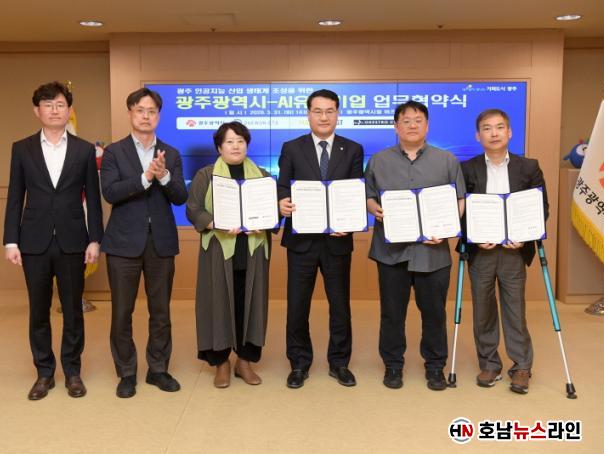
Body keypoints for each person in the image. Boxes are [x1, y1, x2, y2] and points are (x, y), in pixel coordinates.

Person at [3, 81, 103, 400]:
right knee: (38, 311)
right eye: (48, 105)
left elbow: (94, 199)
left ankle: (72, 371)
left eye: (60, 104)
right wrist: (10, 241)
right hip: (33, 241)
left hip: (74, 241)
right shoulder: (22, 148)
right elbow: (15, 197)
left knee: (73, 311)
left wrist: (95, 239)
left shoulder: (84, 150)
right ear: (37, 111)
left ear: (69, 110)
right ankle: (44, 373)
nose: (54, 110)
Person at [365, 100, 465, 391]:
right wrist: (374, 209)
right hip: (391, 252)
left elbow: (460, 199)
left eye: (418, 120)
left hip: (432, 253)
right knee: (392, 313)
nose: (412, 125)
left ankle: (435, 367)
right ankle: (393, 365)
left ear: (427, 125)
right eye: (406, 120)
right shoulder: (379, 160)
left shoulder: (447, 160)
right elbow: (369, 195)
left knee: (434, 313)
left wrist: (446, 229)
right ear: (396, 126)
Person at [100, 87, 188, 398]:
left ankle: (158, 369)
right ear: (130, 114)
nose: (146, 116)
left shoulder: (171, 154)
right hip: (123, 244)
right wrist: (145, 178)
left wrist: (163, 177)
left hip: (160, 243)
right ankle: (126, 372)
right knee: (121, 313)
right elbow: (110, 192)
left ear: (158, 116)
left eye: (152, 111)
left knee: (160, 312)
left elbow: (181, 197)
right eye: (140, 110)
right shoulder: (114, 152)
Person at [277, 89, 364, 388]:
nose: (324, 117)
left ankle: (339, 363)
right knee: (297, 305)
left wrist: (350, 223)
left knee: (340, 306)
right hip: (301, 241)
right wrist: (281, 202)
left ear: (338, 113)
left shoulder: (352, 149)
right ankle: (299, 363)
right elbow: (282, 186)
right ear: (308, 114)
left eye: (329, 111)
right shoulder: (292, 147)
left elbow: (355, 191)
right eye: (317, 111)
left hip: (337, 241)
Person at [461, 108, 549, 394]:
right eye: (487, 128)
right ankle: (489, 363)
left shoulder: (529, 167)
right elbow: (460, 210)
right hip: (482, 251)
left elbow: (541, 208)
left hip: (514, 251)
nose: (494, 133)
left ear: (509, 132)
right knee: (483, 310)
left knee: (515, 309)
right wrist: (473, 237)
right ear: (478, 135)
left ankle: (521, 366)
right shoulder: (468, 168)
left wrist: (524, 237)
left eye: (500, 127)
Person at [186, 122, 273, 388]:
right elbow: (193, 209)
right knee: (217, 305)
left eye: (240, 141)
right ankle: (221, 363)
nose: (236, 146)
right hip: (218, 251)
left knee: (251, 305)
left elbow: (272, 211)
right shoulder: (206, 175)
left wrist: (266, 221)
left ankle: (244, 362)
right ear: (219, 147)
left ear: (247, 145)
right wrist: (215, 223)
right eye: (229, 142)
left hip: (252, 250)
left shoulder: (262, 175)